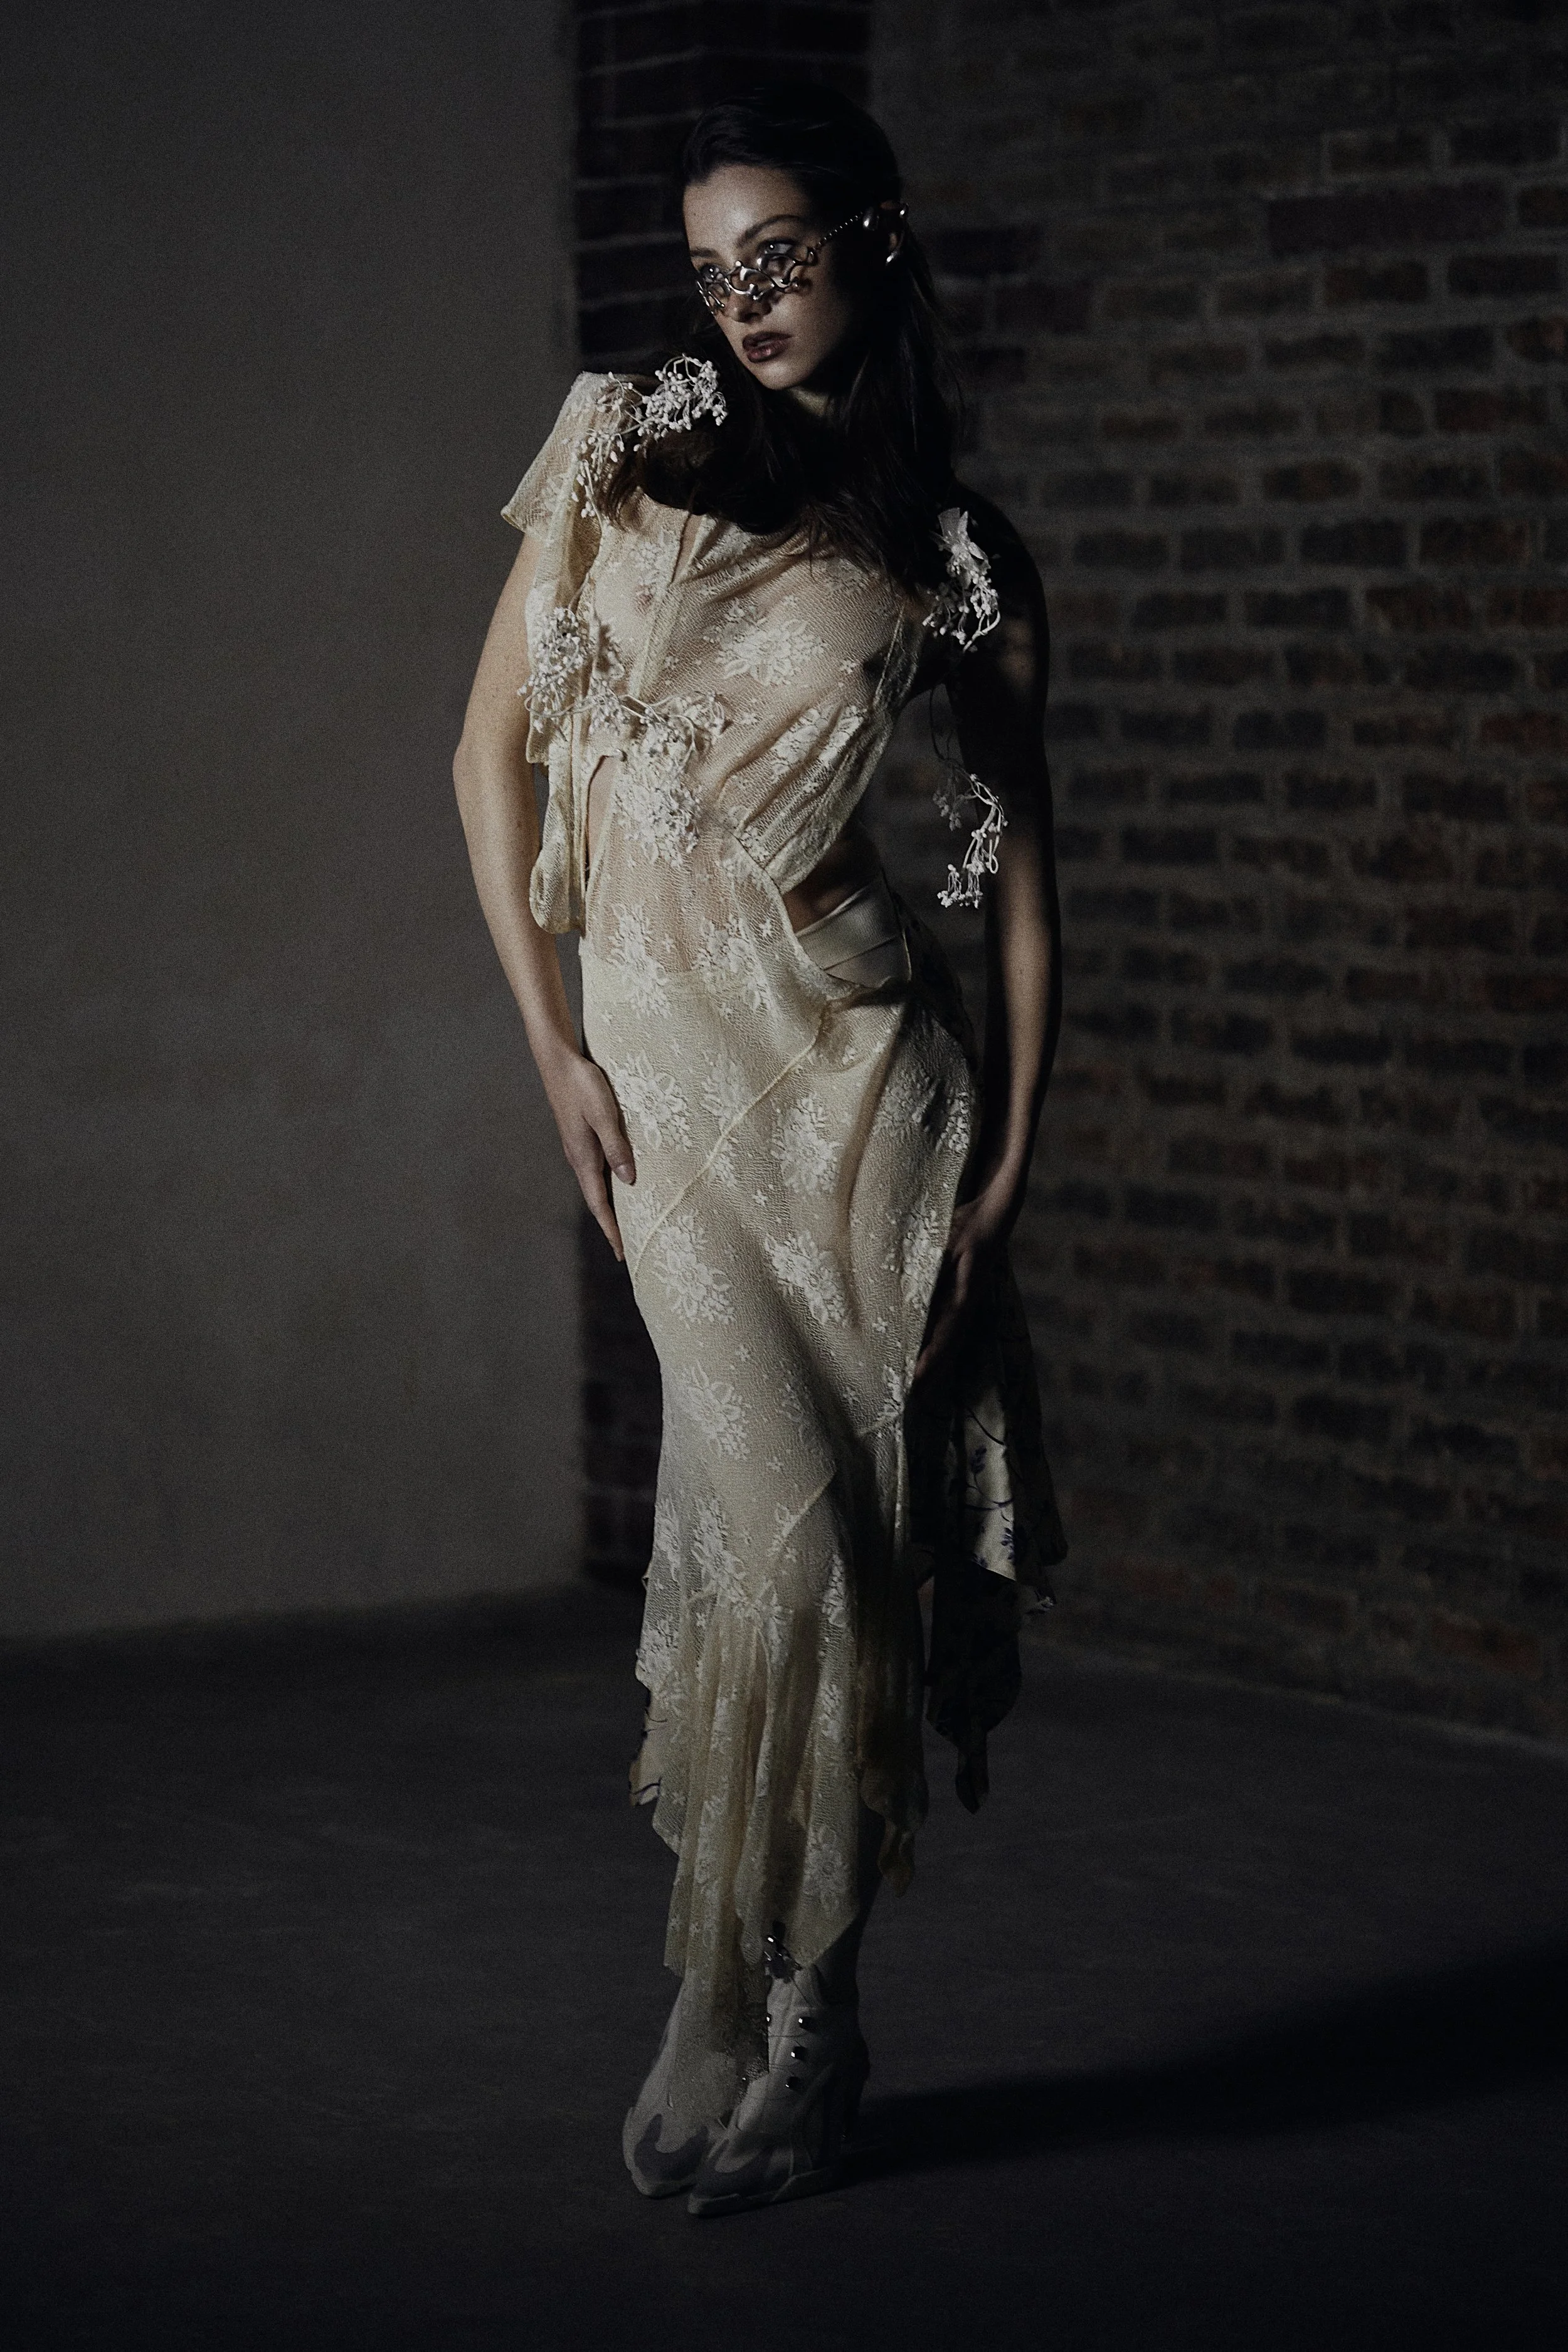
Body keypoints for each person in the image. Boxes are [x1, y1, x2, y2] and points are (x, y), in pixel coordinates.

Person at [453, 79, 1066, 2218]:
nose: (744, 306)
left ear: (874, 244)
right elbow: (482, 758)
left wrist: (1002, 1166)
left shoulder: (954, 559)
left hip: (859, 1089)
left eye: (780, 260)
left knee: (839, 1555)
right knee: (769, 1527)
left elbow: (1003, 876)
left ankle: (805, 2019)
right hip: (664, 1084)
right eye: (716, 273)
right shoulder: (622, 439)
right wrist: (555, 1055)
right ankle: (721, 1978)